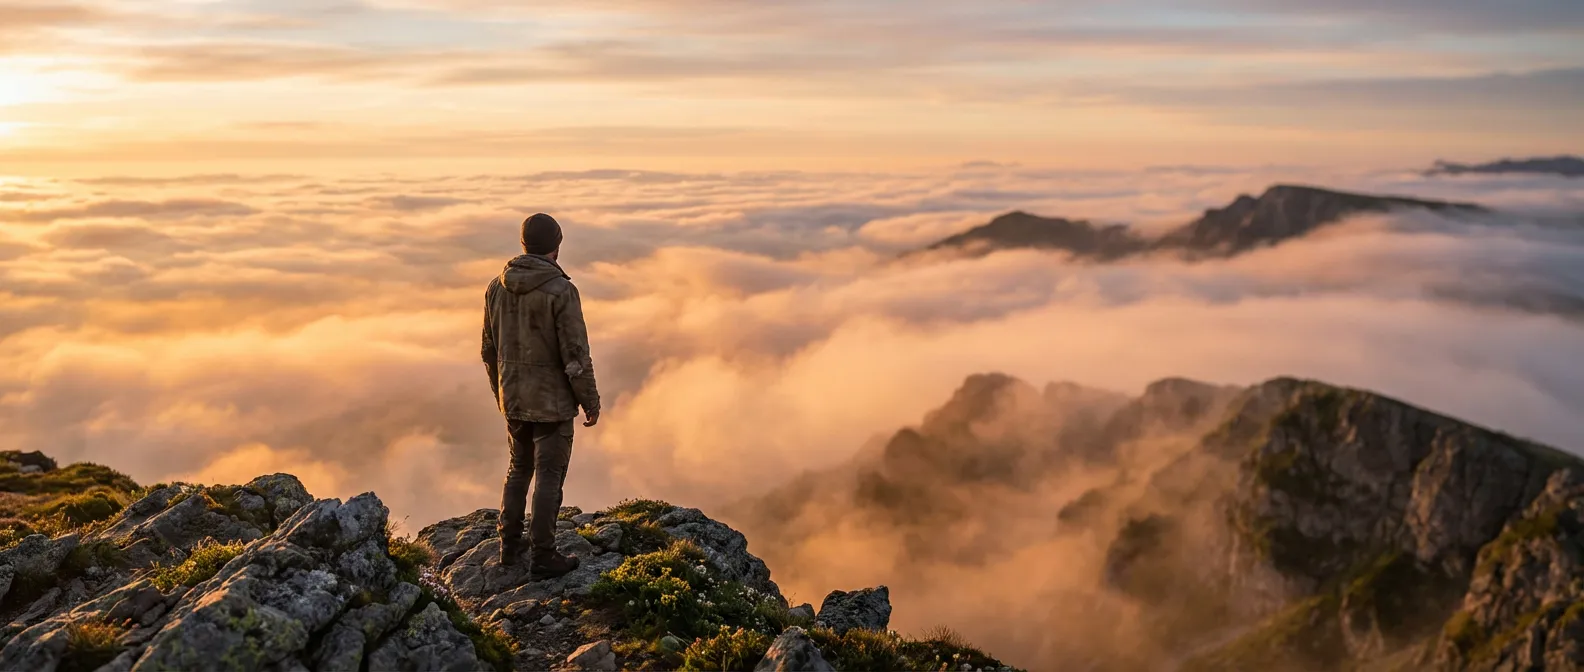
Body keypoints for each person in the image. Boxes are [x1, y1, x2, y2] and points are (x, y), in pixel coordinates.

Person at [481, 213, 601, 578]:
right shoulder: (561, 291)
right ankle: (544, 556)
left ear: (524, 244)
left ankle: (509, 545)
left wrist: (502, 394)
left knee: (519, 468)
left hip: (514, 399)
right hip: (552, 404)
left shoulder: (496, 287)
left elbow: (488, 350)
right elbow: (575, 355)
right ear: (556, 246)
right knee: (549, 474)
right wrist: (590, 402)